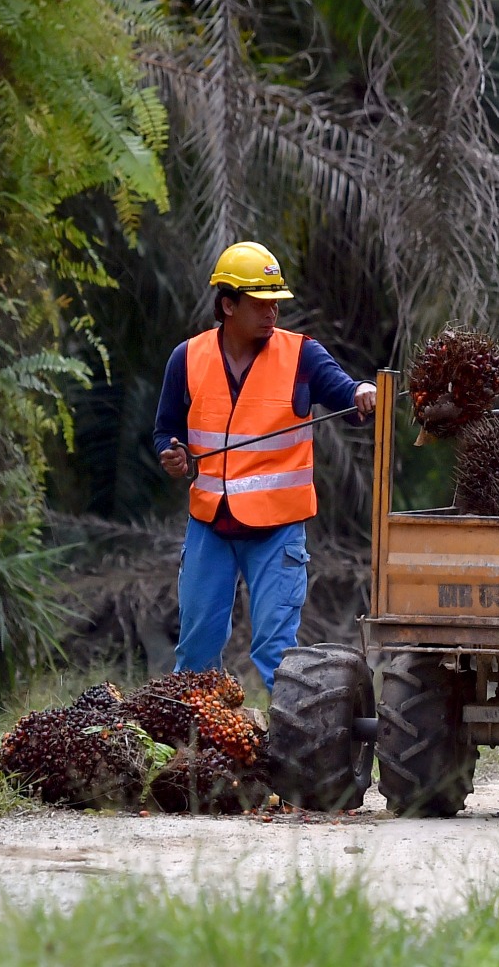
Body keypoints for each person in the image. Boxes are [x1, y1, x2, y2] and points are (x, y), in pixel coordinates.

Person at [153, 241, 376, 691]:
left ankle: (298, 753)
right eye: (260, 304)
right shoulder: (187, 357)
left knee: (277, 654)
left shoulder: (302, 355)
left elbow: (348, 396)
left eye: (276, 303)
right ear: (228, 304)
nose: (271, 312)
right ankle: (198, 749)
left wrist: (364, 391)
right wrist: (173, 455)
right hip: (210, 525)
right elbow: (165, 431)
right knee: (196, 651)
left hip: (278, 530)